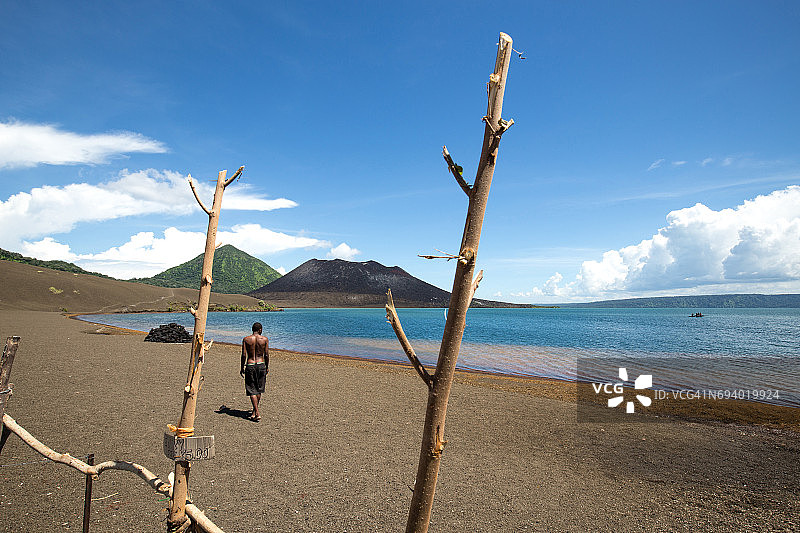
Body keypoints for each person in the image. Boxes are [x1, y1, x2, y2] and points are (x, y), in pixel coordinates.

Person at [241, 322, 269, 422]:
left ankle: (255, 412)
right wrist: (267, 366)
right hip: (261, 364)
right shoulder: (264, 339)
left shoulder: (246, 339)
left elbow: (244, 355)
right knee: (259, 389)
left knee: (252, 389)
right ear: (260, 330)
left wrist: (242, 367)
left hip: (250, 364)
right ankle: (256, 412)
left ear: (252, 329)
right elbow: (266, 354)